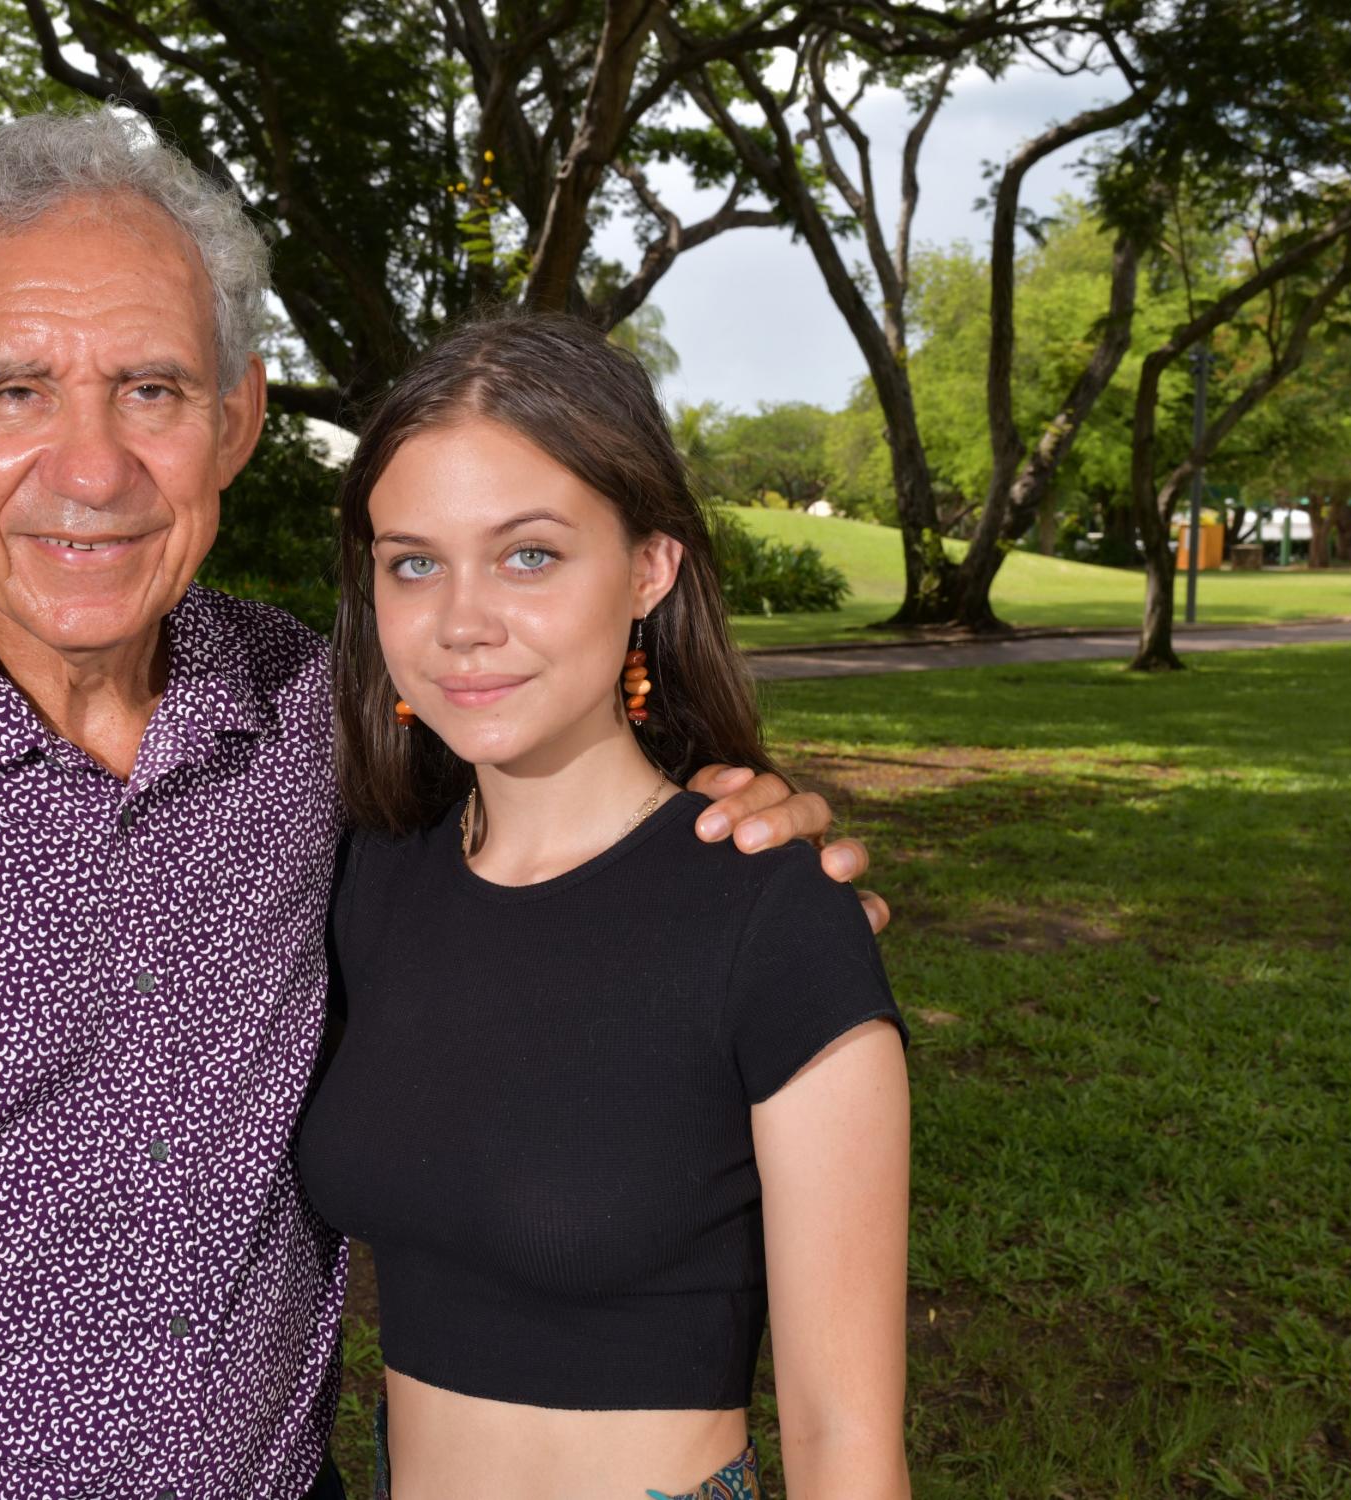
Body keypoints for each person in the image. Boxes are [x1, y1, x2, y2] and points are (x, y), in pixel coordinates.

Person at [0, 110, 883, 1499]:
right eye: (15, 393)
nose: (92, 467)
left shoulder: (318, 720)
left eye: (152, 389)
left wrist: (743, 838)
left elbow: (558, 819)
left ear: (236, 419)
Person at [296, 313, 912, 1500]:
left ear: (649, 567)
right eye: (412, 561)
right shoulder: (371, 878)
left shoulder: (771, 913)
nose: (463, 619)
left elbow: (845, 1440)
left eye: (529, 554)